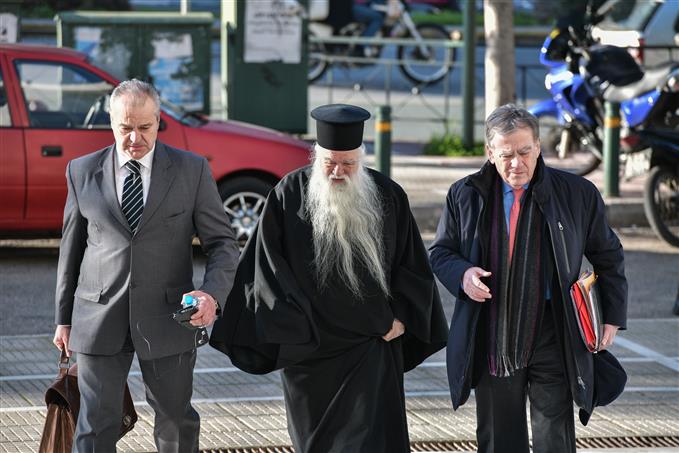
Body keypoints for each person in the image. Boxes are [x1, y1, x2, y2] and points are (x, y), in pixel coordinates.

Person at [210, 103, 448, 453]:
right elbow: (265, 270)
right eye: (330, 163)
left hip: (371, 348)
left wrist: (402, 318)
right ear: (317, 157)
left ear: (361, 159)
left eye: (348, 164)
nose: (338, 172)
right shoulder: (289, 194)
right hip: (312, 352)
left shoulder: (388, 195)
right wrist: (293, 328)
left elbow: (412, 267)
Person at [52, 79, 239, 452]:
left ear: (158, 122)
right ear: (111, 122)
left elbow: (223, 244)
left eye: (144, 127)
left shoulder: (191, 170)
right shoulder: (81, 171)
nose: (134, 138)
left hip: (170, 317)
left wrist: (212, 296)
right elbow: (71, 251)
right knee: (94, 424)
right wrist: (63, 318)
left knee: (176, 420)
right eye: (125, 127)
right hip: (98, 316)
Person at [429, 104, 628, 453]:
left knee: (554, 436)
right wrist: (464, 275)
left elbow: (608, 255)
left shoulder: (577, 193)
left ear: (538, 147)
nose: (516, 163)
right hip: (492, 330)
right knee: (499, 438)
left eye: (524, 152)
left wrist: (612, 316)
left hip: (554, 328)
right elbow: (441, 252)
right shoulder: (465, 194)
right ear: (490, 153)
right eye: (506, 155)